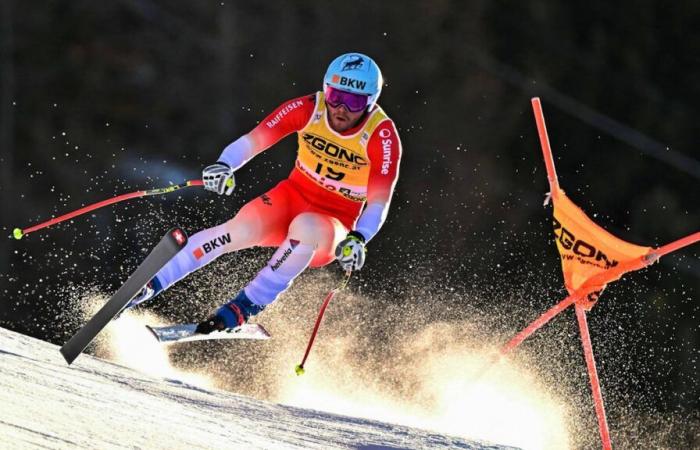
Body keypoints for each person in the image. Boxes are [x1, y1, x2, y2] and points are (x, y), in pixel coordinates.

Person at [128, 52, 402, 333]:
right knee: (238, 229)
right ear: (325, 89)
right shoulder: (309, 108)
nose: (341, 108)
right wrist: (224, 166)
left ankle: (245, 305)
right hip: (292, 196)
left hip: (333, 223)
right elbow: (255, 139)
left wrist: (359, 238)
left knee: (306, 227)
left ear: (371, 103)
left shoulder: (381, 136)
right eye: (335, 96)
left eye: (354, 102)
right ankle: (150, 284)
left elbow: (380, 201)